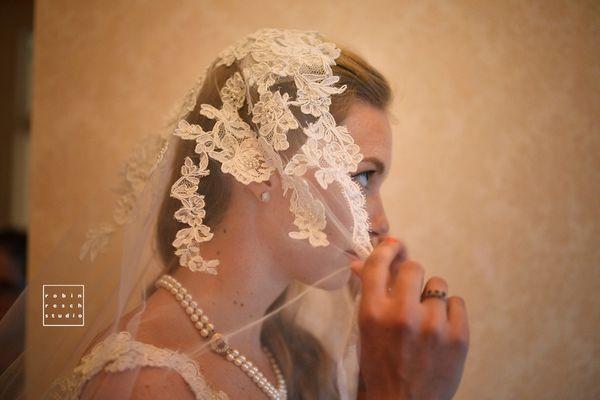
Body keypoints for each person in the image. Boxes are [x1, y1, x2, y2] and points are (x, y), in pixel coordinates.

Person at [0, 28, 469, 400]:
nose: (382, 223)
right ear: (260, 166)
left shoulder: (292, 355)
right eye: (363, 178)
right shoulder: (148, 382)